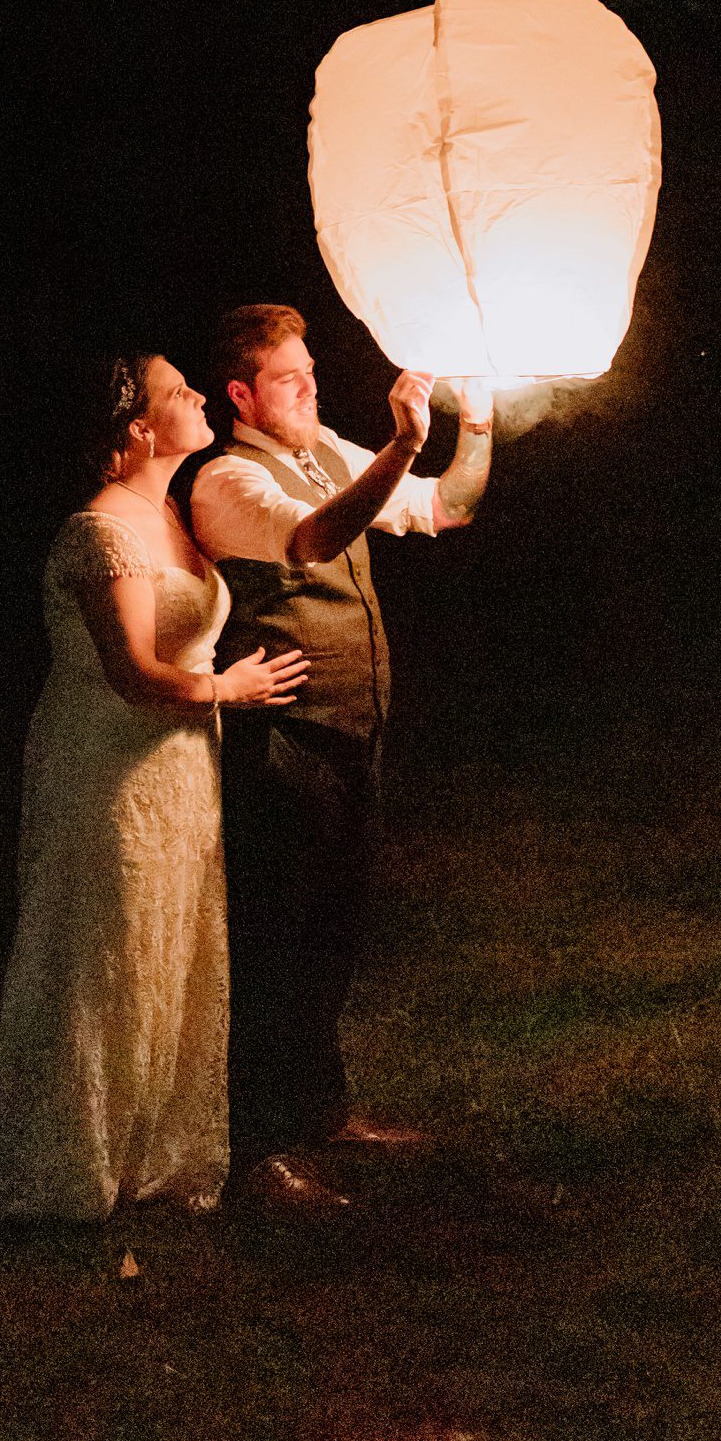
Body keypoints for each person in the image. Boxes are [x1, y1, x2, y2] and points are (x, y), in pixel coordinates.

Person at [0, 351, 308, 1219]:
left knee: (173, 938)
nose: (199, 396)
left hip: (178, 765)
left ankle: (159, 1153)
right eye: (179, 393)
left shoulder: (170, 512)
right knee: (104, 944)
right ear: (137, 428)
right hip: (109, 762)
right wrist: (224, 689)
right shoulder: (102, 531)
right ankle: (70, 1161)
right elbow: (130, 669)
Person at [190, 303, 495, 1211]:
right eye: (291, 380)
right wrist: (401, 445)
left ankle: (321, 1112)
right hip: (280, 742)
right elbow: (312, 537)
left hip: (354, 735)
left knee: (332, 934)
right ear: (241, 393)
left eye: (313, 373)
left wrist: (473, 425)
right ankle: (255, 1152)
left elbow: (448, 506)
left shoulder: (323, 447)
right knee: (274, 944)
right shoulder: (226, 479)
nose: (311, 390)